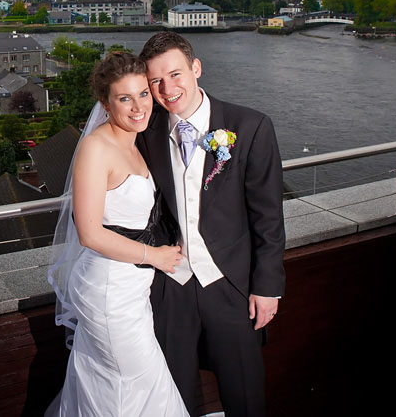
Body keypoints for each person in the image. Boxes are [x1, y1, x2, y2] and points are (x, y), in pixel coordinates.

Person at [137, 32, 286, 417]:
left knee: (245, 394)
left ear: (196, 68)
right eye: (156, 81)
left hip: (232, 286)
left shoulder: (250, 126)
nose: (168, 89)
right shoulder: (144, 133)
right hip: (171, 288)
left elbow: (268, 216)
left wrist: (267, 287)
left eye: (175, 74)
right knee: (173, 397)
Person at [47, 51, 190, 417]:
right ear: (105, 103)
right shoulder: (96, 149)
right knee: (138, 382)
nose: (139, 106)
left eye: (143, 93)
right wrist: (154, 256)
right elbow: (90, 232)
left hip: (131, 290)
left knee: (112, 381)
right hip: (108, 292)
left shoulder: (135, 141)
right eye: (124, 98)